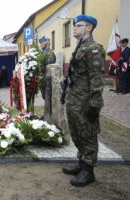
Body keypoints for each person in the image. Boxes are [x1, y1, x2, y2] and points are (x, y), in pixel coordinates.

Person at [62, 15, 105, 187]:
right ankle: (81, 163)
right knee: (76, 132)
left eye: (78, 25)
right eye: (74, 25)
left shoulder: (93, 49)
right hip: (74, 99)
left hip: (86, 101)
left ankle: (89, 170)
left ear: (88, 28)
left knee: (87, 133)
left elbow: (96, 79)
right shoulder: (80, 47)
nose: (74, 28)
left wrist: (94, 104)